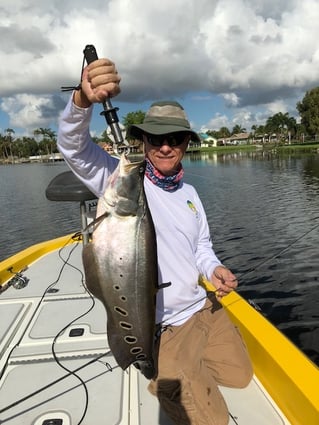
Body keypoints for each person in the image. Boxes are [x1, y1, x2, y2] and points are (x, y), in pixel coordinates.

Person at [58, 58, 253, 425]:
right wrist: (82, 101)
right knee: (215, 421)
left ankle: (181, 371)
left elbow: (201, 246)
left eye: (174, 139)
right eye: (156, 138)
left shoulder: (191, 193)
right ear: (143, 140)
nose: (165, 147)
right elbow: (74, 147)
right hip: (165, 326)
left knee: (240, 377)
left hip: (203, 309)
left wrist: (215, 268)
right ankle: (166, 372)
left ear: (186, 144)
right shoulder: (122, 181)